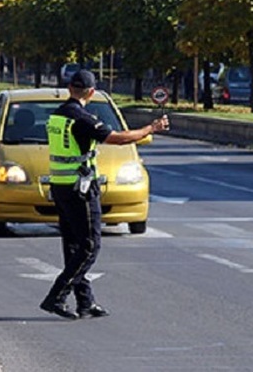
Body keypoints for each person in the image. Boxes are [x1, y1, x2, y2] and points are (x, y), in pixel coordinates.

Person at [40, 70, 170, 320]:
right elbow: (117, 138)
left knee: (73, 245)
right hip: (80, 188)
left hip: (60, 185)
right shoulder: (82, 118)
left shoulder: (57, 116)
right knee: (90, 245)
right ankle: (56, 295)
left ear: (70, 88)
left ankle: (85, 301)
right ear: (91, 92)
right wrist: (151, 128)